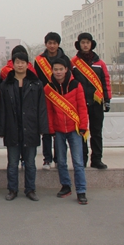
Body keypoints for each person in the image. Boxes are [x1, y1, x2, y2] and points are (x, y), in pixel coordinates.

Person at [0, 52, 49, 201]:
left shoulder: (36, 83)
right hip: (12, 128)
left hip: (30, 127)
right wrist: (1, 129)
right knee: (12, 163)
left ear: (27, 64)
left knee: (30, 163)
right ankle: (12, 190)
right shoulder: (6, 84)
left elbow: (41, 108)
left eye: (23, 62)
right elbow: (2, 108)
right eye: (17, 62)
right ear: (12, 64)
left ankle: (30, 189)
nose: (20, 65)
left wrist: (42, 129)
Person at [45, 58, 89, 205]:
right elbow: (49, 111)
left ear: (66, 70)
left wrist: (83, 126)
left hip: (74, 129)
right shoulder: (49, 88)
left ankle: (81, 191)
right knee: (61, 161)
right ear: (52, 71)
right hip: (58, 130)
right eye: (55, 69)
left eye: (61, 69)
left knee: (78, 161)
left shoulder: (76, 85)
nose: (58, 72)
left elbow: (82, 107)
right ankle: (65, 186)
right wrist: (51, 129)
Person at [71, 32, 112, 169]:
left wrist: (107, 99)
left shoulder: (100, 63)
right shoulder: (74, 63)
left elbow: (105, 81)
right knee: (81, 132)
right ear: (79, 45)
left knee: (96, 132)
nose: (85, 45)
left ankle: (97, 159)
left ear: (91, 44)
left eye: (87, 42)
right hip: (80, 103)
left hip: (96, 102)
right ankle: (82, 159)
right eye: (83, 42)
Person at [34, 32, 71, 170]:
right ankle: (47, 159)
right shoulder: (39, 60)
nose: (52, 45)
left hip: (61, 99)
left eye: (54, 43)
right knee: (46, 129)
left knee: (60, 130)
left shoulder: (65, 59)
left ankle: (59, 158)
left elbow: (69, 78)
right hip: (45, 98)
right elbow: (37, 79)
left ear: (58, 44)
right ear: (46, 44)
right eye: (49, 43)